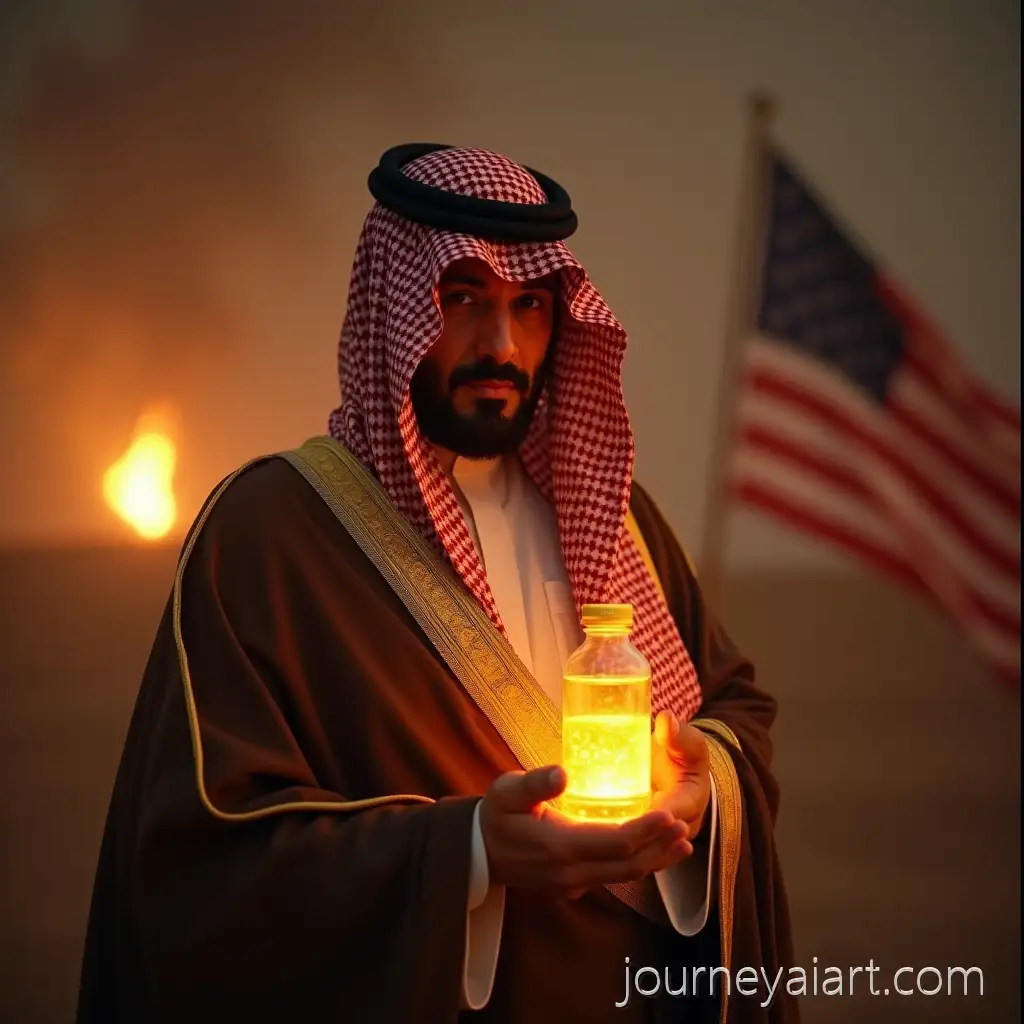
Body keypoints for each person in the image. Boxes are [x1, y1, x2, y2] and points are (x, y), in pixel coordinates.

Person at [76, 143, 798, 1023]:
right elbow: (201, 866)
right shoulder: (270, 535)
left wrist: (701, 790)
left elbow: (736, 713)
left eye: (529, 306)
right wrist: (468, 853)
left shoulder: (623, 521)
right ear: (396, 311)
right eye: (461, 301)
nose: (500, 345)